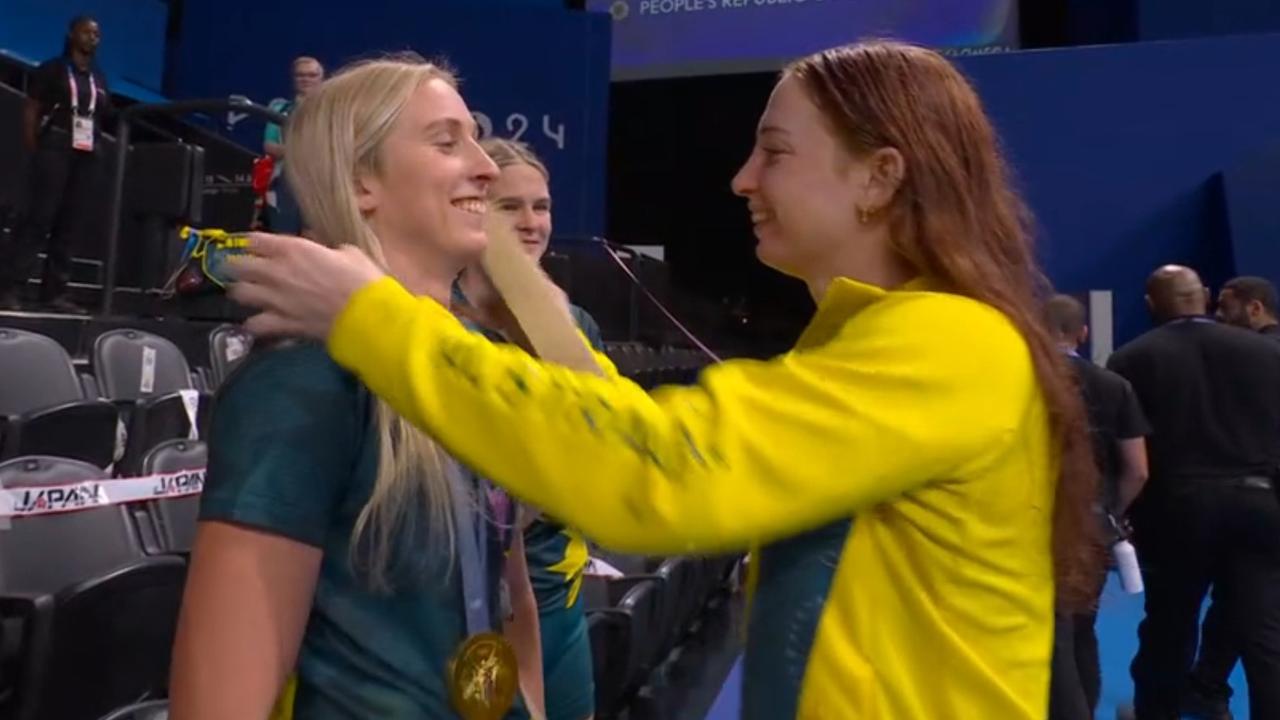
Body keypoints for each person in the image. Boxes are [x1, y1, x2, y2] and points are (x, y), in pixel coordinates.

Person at [229, 40, 1103, 717]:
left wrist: (370, 317)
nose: (741, 179)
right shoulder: (909, 339)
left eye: (774, 152)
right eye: (447, 143)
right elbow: (621, 428)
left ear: (879, 177)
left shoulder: (944, 343)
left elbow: (662, 469)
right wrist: (503, 272)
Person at [169, 56, 547, 719]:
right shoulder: (302, 381)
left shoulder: (482, 363)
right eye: (446, 140)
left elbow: (512, 596)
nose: (487, 168)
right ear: (361, 180)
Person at [454, 137, 599, 720]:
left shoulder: (576, 323)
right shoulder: (440, 323)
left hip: (560, 596)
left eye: (541, 206)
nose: (532, 222)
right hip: (477, 605)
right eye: (510, 206)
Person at [1107, 265, 1280, 720]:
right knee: (1265, 635)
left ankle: (1156, 714)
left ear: (1150, 306)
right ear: (1203, 296)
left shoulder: (1130, 359)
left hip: (1175, 513)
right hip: (1259, 506)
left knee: (1168, 626)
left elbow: (1129, 452)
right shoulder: (1266, 354)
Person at [1044, 294, 1150, 720]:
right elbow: (1138, 469)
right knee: (1082, 628)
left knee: (1049, 632)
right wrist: (1110, 513)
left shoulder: (1018, 381)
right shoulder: (1113, 386)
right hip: (1090, 525)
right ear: (1082, 333)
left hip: (1026, 521)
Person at [1184, 274, 1280, 719]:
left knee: (1260, 622)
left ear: (1256, 308)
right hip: (1257, 506)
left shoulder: (1255, 359)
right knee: (1238, 601)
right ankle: (1205, 683)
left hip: (1262, 503)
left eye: (1225, 307)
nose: (1216, 316)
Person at [0, 15, 110, 312]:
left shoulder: (97, 78)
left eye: (97, 34)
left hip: (86, 152)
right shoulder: (53, 69)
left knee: (69, 224)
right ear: (72, 34)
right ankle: (11, 287)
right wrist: (36, 146)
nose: (92, 38)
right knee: (38, 218)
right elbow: (32, 108)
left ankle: (54, 293)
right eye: (87, 32)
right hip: (55, 147)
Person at [262, 56, 325, 234]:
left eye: (312, 75)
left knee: (317, 237)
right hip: (285, 182)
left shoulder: (332, 109)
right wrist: (304, 152)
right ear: (293, 79)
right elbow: (269, 146)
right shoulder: (279, 108)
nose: (306, 79)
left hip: (321, 183)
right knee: (284, 237)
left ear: (321, 78)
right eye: (300, 75)